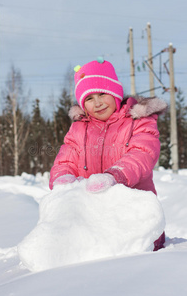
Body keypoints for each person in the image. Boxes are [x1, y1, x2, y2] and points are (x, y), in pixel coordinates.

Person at [49, 58, 167, 251]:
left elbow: (142, 154)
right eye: (89, 98)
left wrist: (115, 176)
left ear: (114, 92)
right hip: (94, 222)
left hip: (136, 218)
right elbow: (66, 158)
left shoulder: (138, 121)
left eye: (102, 93)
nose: (97, 103)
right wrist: (63, 178)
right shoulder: (79, 128)